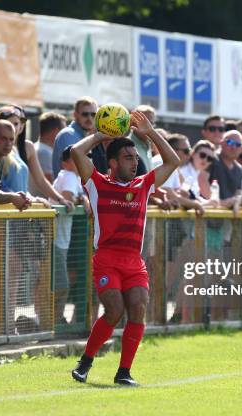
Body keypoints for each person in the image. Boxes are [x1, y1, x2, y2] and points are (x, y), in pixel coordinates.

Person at [70, 111, 180, 386]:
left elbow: (173, 161)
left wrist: (150, 132)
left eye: (136, 157)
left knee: (138, 308)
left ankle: (124, 372)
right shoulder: (97, 183)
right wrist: (101, 135)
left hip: (133, 261)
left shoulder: (143, 186)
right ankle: (85, 362)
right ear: (113, 162)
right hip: (106, 260)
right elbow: (76, 152)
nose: (135, 163)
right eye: (128, 158)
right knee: (114, 310)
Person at [0, 105, 73, 208]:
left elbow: (39, 180)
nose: (17, 126)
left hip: (21, 211)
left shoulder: (22, 148)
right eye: (12, 123)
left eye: (21, 121)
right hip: (4, 211)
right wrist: (27, 199)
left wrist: (60, 199)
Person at [52, 146, 90, 324]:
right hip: (56, 238)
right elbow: (67, 198)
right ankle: (55, 321)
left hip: (62, 238)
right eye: (77, 158)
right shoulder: (68, 175)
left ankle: (55, 320)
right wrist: (81, 199)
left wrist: (82, 198)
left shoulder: (73, 177)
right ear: (65, 163)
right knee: (60, 285)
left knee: (61, 284)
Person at [52, 97, 98, 178]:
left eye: (93, 114)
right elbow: (76, 171)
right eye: (85, 114)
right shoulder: (68, 135)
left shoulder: (84, 137)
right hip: (71, 189)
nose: (90, 118)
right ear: (75, 115)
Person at [29, 112, 67, 197]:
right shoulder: (44, 152)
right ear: (56, 131)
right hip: (43, 206)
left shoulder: (38, 148)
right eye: (63, 131)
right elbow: (52, 184)